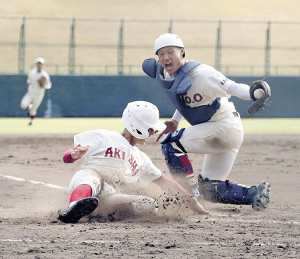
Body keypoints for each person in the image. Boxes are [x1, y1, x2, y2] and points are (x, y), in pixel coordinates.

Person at [142, 33, 271, 211]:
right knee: (211, 188)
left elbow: (232, 87)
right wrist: (175, 121)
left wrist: (254, 93)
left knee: (170, 143)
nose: (165, 58)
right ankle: (256, 194)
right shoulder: (168, 76)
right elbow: (186, 100)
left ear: (182, 52)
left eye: (170, 52)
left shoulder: (202, 73)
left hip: (224, 127)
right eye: (161, 54)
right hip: (220, 130)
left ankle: (187, 197)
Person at [58, 101, 209, 224]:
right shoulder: (104, 137)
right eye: (150, 129)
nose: (152, 133)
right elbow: (67, 158)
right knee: (91, 179)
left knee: (149, 204)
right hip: (88, 181)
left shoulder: (141, 158)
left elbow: (164, 182)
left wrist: (191, 200)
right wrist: (73, 154)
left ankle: (100, 214)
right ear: (137, 126)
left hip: (110, 196)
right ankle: (74, 208)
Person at [20, 57, 52, 125]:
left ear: (43, 65)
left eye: (40, 64)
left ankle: (31, 121)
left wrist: (43, 85)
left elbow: (48, 85)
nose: (39, 65)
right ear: (36, 64)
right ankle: (30, 106)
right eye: (38, 64)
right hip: (30, 93)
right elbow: (28, 80)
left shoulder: (44, 75)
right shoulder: (32, 72)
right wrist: (28, 83)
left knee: (33, 110)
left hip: (39, 95)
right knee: (23, 105)